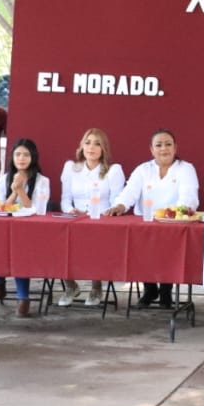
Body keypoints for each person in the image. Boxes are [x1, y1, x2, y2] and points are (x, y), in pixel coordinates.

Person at [108, 128, 199, 308]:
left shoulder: (185, 168)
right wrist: (120, 205)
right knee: (140, 250)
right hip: (146, 223)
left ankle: (166, 292)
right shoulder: (143, 169)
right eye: (159, 145)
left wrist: (174, 214)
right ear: (151, 149)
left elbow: (188, 197)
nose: (163, 149)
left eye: (168, 144)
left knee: (168, 255)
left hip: (173, 224)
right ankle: (150, 290)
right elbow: (130, 192)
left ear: (175, 147)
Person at [60, 128, 125, 306]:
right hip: (74, 219)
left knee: (95, 241)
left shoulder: (113, 170)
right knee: (58, 240)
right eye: (88, 142)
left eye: (97, 144)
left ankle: (96, 287)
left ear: (104, 148)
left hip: (101, 221)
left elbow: (116, 202)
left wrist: (103, 213)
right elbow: (65, 199)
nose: (91, 147)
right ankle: (70, 286)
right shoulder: (71, 168)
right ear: (82, 146)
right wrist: (70, 210)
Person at [0, 139, 50, 318]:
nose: (21, 158)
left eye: (26, 154)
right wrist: (14, 192)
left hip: (30, 231)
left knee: (20, 250)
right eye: (17, 154)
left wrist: (22, 191)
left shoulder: (42, 181)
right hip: (5, 228)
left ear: (33, 157)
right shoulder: (4, 178)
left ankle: (23, 297)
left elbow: (38, 209)